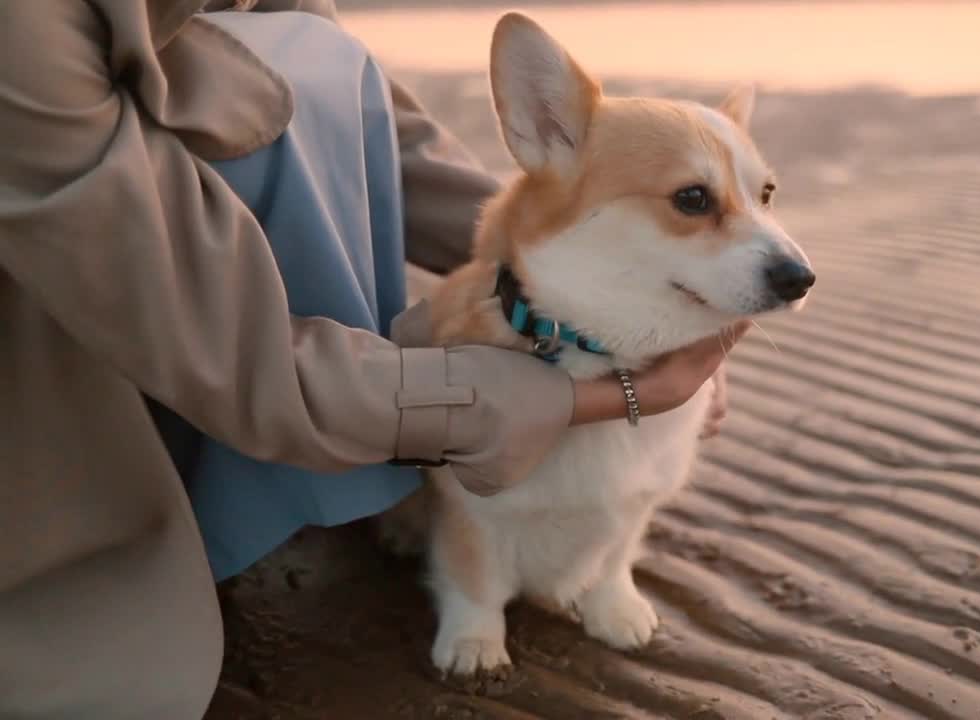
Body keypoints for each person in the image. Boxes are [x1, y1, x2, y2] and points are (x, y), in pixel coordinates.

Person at [0, 1, 742, 718]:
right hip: (61, 284)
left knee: (308, 57)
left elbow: (384, 130)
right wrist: (612, 397)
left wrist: (572, 263)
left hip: (164, 253)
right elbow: (248, 360)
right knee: (119, 675)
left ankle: (289, 458)